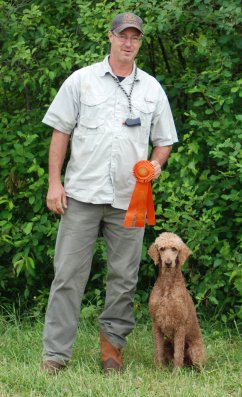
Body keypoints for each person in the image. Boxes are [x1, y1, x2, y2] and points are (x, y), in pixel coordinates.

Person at [41, 12, 178, 374]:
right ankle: (55, 355)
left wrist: (155, 166)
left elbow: (164, 141)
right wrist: (55, 183)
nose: (129, 43)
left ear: (140, 42)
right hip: (81, 196)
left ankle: (112, 350)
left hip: (129, 201)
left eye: (135, 37)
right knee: (68, 275)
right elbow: (60, 133)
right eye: (123, 36)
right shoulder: (81, 81)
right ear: (111, 37)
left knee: (124, 279)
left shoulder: (151, 88)